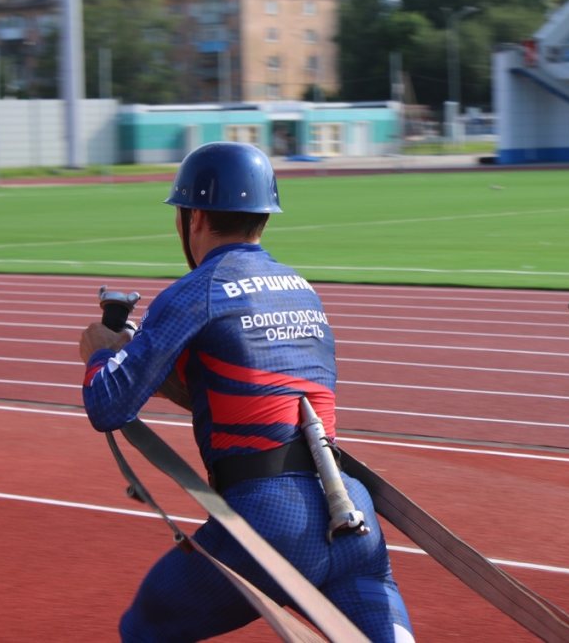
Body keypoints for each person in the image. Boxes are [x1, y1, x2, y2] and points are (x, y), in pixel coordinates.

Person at [79, 141, 414, 642]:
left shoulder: (198, 289)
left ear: (192, 217)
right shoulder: (300, 287)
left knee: (147, 627)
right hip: (351, 514)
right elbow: (249, 392)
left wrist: (102, 352)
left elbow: (108, 405)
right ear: (262, 216)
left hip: (270, 517)